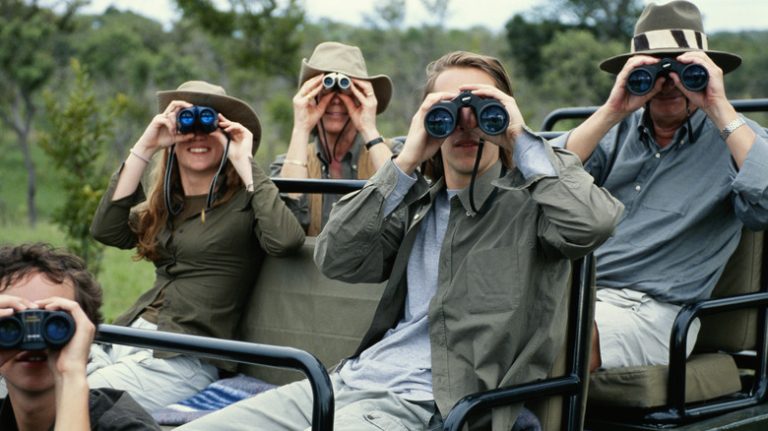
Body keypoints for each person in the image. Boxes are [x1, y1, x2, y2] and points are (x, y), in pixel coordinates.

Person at [178, 51, 623, 430]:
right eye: (448, 112)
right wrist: (407, 158)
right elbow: (336, 258)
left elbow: (593, 224)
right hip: (349, 381)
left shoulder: (532, 206)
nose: (465, 124)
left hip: (432, 404)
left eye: (483, 108)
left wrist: (516, 135)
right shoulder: (416, 206)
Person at [551, 1, 768, 371]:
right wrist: (613, 110)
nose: (669, 83)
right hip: (578, 294)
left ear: (709, 72)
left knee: (559, 342)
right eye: (654, 70)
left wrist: (718, 106)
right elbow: (541, 179)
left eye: (685, 70)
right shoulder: (615, 133)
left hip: (658, 312)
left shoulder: (738, 140)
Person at [88, 80, 305, 412]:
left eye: (211, 124)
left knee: (73, 397)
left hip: (182, 357)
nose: (198, 135)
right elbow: (106, 229)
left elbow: (286, 239)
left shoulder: (247, 204)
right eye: (186, 123)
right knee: (18, 379)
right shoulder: (164, 205)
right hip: (128, 336)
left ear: (228, 134)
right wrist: (146, 146)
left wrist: (244, 160)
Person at [0, 243, 160, 430]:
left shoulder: (123, 425)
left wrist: (71, 375)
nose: (34, 340)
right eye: (12, 323)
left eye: (55, 323)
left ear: (85, 333)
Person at [271, 41, 397, 235]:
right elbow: (285, 231)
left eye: (347, 88)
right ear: (311, 94)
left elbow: (402, 205)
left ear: (361, 95)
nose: (336, 99)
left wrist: (368, 128)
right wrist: (301, 128)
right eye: (326, 87)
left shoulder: (393, 154)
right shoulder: (286, 165)